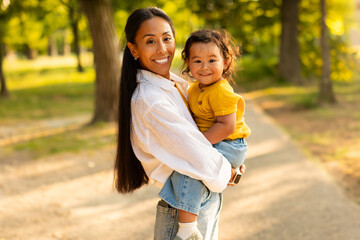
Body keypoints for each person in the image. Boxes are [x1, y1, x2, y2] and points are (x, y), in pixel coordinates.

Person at [114, 7, 245, 240]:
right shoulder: (150, 100)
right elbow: (193, 151)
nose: (162, 48)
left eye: (166, 38)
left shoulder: (177, 83)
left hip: (199, 195)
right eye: (150, 41)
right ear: (134, 49)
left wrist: (229, 159)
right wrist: (231, 173)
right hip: (183, 205)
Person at [158, 29, 251, 240]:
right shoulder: (195, 89)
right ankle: (188, 224)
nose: (205, 67)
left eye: (212, 60)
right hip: (218, 141)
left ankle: (187, 230)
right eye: (197, 61)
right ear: (188, 63)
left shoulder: (221, 91)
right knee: (188, 166)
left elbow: (226, 126)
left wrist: (197, 146)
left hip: (229, 143)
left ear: (225, 62)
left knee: (190, 167)